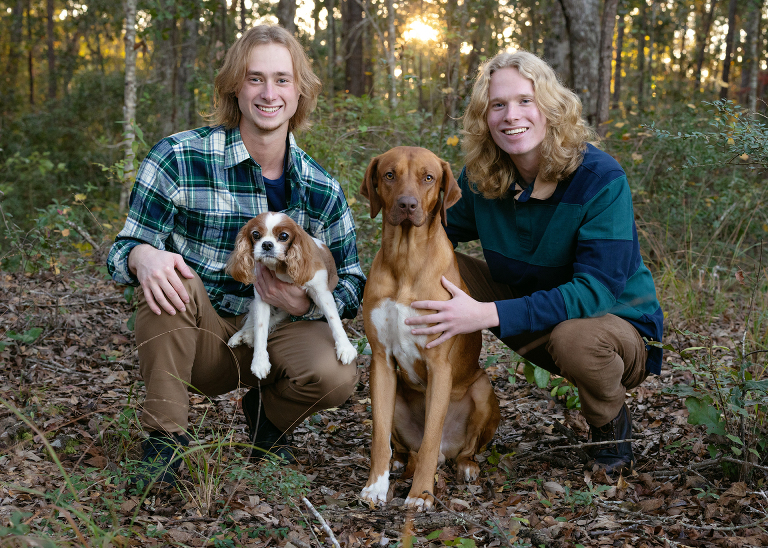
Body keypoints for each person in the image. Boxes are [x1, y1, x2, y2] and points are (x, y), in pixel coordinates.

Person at [107, 25, 365, 486]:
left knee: (337, 373)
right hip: (201, 338)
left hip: (279, 334)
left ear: (300, 92)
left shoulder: (321, 187)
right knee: (168, 277)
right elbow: (122, 248)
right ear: (234, 87)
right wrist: (142, 256)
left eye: (282, 80)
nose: (269, 93)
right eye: (255, 78)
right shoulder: (178, 157)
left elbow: (352, 280)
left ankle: (267, 416)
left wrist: (304, 303)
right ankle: (164, 442)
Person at [405, 50, 663, 476]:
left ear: (550, 107)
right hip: (534, 315)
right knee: (434, 264)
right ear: (484, 117)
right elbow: (433, 232)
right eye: (498, 105)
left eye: (525, 101)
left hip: (615, 329)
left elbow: (596, 292)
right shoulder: (482, 177)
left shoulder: (600, 179)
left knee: (576, 339)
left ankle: (610, 430)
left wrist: (485, 314)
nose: (512, 116)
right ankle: (422, 389)